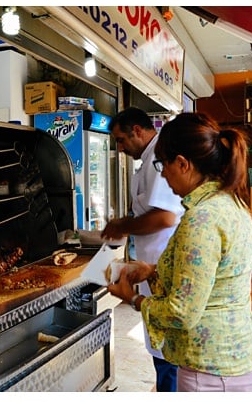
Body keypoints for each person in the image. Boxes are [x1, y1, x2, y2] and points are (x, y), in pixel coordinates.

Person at [108, 112, 252, 392]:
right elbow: (207, 276)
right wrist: (151, 272)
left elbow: (181, 313)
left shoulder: (201, 219)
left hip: (211, 368)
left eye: (163, 164)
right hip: (231, 360)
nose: (163, 174)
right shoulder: (229, 202)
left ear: (182, 164)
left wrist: (133, 299)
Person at [101, 107, 184, 392]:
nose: (120, 148)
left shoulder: (159, 159)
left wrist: (124, 226)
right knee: (160, 349)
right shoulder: (149, 159)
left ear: (138, 130)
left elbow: (165, 217)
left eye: (122, 140)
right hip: (153, 267)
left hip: (164, 268)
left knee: (167, 354)